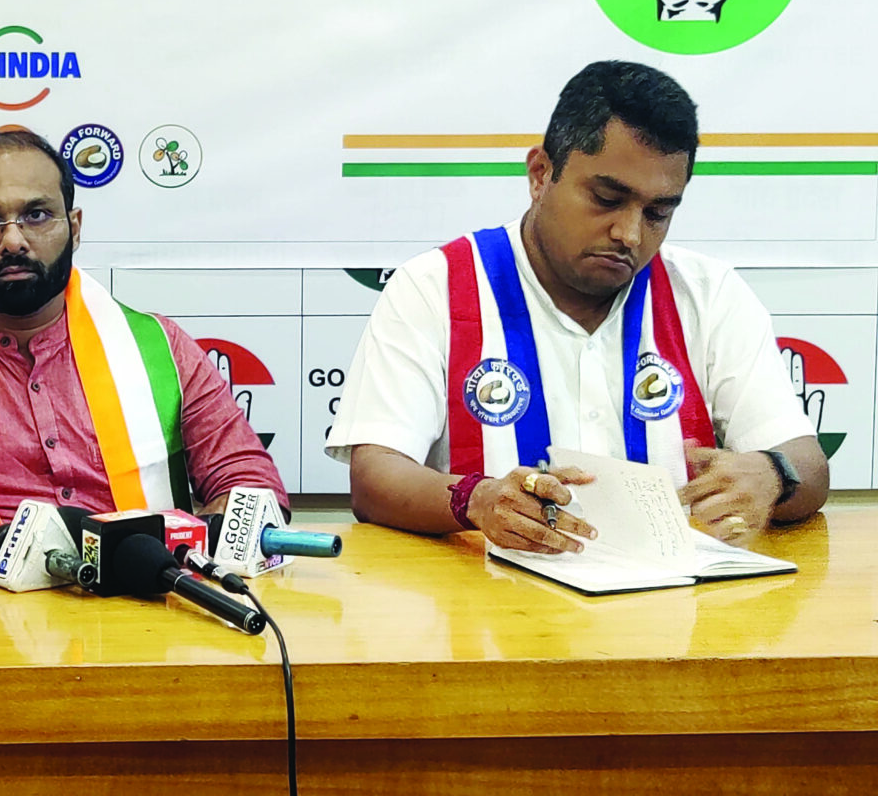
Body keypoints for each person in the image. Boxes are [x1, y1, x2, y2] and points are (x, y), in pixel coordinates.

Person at [326, 61, 828, 552]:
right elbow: (375, 478)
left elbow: (808, 464)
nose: (629, 234)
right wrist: (476, 500)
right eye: (607, 199)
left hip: (677, 601)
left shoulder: (709, 293)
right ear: (540, 174)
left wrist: (772, 474)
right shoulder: (434, 287)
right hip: (487, 600)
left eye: (657, 213)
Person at [0, 128, 286, 534]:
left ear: (74, 228)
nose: (13, 241)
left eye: (37, 215)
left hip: (150, 592)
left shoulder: (160, 347)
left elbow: (252, 485)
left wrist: (221, 527)